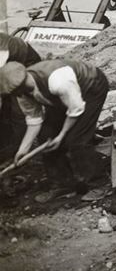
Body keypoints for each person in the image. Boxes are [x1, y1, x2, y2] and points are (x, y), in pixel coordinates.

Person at [0, 58, 109, 196]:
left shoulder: (57, 80)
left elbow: (76, 109)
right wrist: (23, 150)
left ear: (19, 86)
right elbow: (34, 119)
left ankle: (98, 184)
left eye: (14, 93)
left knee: (77, 139)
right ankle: (64, 183)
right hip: (63, 98)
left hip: (91, 88)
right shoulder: (22, 93)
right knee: (46, 136)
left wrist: (62, 134)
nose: (15, 96)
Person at [0, 34, 41, 149]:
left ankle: (18, 148)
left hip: (26, 64)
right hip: (8, 66)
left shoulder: (1, 52)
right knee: (6, 110)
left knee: (18, 109)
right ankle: (5, 143)